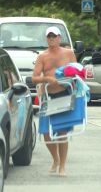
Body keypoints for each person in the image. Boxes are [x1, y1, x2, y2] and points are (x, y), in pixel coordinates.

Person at [32, 26, 77, 176]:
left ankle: (62, 166)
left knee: (62, 131)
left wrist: (74, 85)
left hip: (64, 94)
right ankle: (55, 159)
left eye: (54, 36)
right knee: (46, 133)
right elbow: (34, 77)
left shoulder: (69, 53)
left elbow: (77, 72)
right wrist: (46, 78)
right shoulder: (42, 56)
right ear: (47, 39)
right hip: (48, 95)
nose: (51, 39)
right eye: (49, 36)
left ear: (59, 38)